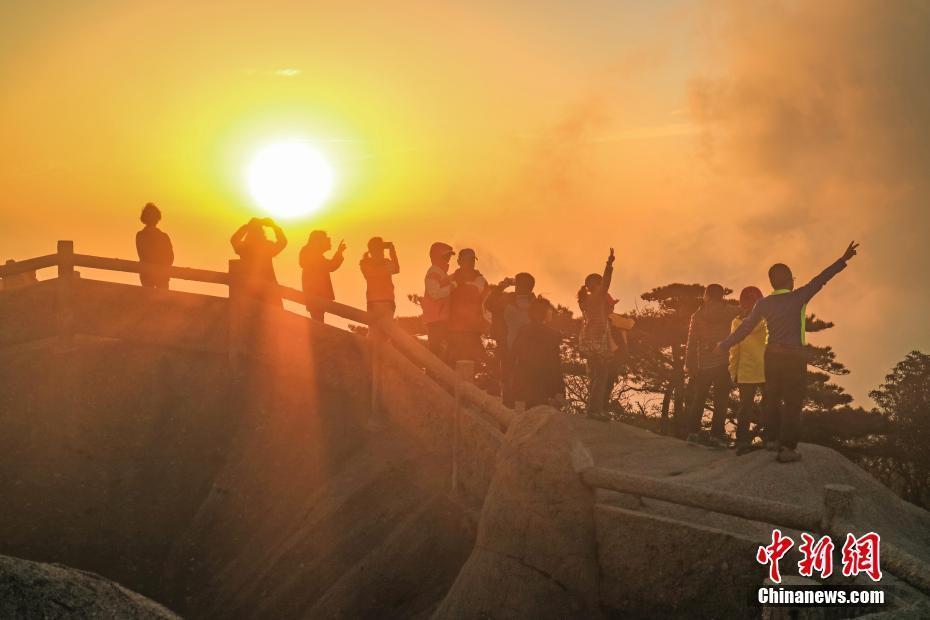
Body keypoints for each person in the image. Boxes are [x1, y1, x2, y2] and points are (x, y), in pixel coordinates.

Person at [715, 241, 860, 463]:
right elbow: (822, 278)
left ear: (772, 282)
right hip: (793, 357)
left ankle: (771, 440)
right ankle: (787, 448)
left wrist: (724, 344)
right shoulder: (798, 297)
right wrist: (843, 260)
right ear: (789, 279)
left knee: (770, 399)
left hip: (771, 357)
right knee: (792, 402)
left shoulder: (763, 304)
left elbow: (744, 329)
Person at [683, 283, 737, 448]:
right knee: (721, 401)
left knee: (699, 398)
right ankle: (716, 436)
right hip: (723, 361)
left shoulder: (697, 316)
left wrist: (689, 364)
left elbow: (691, 342)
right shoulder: (730, 311)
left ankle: (692, 433)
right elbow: (749, 313)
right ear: (722, 296)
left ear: (706, 296)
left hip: (704, 364)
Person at [485, 272, 536, 405]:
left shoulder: (507, 303)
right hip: (524, 351)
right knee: (518, 383)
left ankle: (508, 417)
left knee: (509, 382)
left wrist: (501, 287)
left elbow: (489, 304)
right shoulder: (536, 305)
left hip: (510, 349)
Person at [578, 248, 617, 419]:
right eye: (600, 283)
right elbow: (606, 283)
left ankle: (593, 409)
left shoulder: (587, 299)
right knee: (600, 376)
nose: (603, 286)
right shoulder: (596, 297)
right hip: (597, 342)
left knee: (596, 376)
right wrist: (609, 265)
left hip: (590, 341)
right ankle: (595, 410)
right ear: (594, 285)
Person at [728, 286, 768, 455]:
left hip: (746, 369)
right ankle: (770, 439)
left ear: (742, 303)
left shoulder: (737, 322)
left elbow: (734, 349)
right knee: (770, 405)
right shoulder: (767, 320)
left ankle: (742, 442)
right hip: (767, 368)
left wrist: (733, 370)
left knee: (745, 407)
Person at [511, 297, 565, 409]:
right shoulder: (553, 334)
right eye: (549, 310)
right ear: (545, 313)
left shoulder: (523, 330)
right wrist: (559, 390)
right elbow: (555, 364)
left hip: (524, 382)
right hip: (544, 384)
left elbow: (515, 353)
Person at [230, 217, 287, 306]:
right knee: (272, 315)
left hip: (249, 289)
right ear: (262, 233)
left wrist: (248, 226)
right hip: (269, 289)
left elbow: (234, 240)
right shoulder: (266, 246)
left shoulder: (245, 247)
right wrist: (274, 226)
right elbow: (283, 242)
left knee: (251, 316)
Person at [447, 248, 490, 364]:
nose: (471, 263)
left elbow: (487, 305)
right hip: (453, 330)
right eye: (467, 260)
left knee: (474, 363)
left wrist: (485, 323)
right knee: (452, 364)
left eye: (472, 260)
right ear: (459, 262)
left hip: (473, 331)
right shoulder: (449, 279)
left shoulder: (481, 281)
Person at [299, 230, 346, 322]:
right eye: (325, 238)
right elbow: (331, 266)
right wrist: (339, 252)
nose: (328, 240)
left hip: (314, 295)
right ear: (318, 241)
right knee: (318, 321)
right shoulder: (314, 256)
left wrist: (339, 252)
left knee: (317, 320)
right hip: (316, 296)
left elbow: (329, 266)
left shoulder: (311, 254)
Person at [422, 242, 455, 358]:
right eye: (446, 256)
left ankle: (436, 375)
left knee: (440, 352)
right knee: (435, 353)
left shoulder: (440, 272)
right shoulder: (434, 272)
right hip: (436, 320)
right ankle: (432, 375)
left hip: (440, 319)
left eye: (449, 256)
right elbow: (434, 294)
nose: (448, 259)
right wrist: (452, 287)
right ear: (437, 257)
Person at [135, 202, 174, 289]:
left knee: (148, 299)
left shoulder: (140, 236)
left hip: (146, 276)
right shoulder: (164, 237)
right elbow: (170, 257)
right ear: (158, 218)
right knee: (162, 300)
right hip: (161, 276)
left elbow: (142, 255)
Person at [360, 237, 400, 320]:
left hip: (374, 301)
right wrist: (392, 251)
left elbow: (396, 269)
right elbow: (396, 269)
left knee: (375, 329)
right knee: (385, 329)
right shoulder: (385, 263)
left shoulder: (365, 263)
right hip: (386, 301)